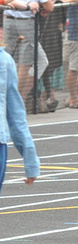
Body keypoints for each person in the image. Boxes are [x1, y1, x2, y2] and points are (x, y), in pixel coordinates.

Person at [3, 0, 55, 110]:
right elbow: (49, 5)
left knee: (29, 61)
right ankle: (13, 103)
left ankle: (20, 97)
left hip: (9, 21)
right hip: (26, 22)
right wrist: (40, 5)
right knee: (23, 64)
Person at [0, 43, 39, 193]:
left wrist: (30, 160)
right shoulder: (4, 60)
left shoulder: (4, 60)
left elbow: (15, 113)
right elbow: (15, 114)